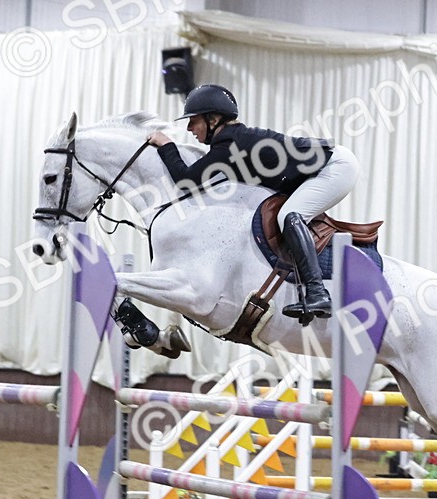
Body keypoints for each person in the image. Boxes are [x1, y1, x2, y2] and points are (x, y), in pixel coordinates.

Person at [146, 84, 360, 321]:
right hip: (323, 167)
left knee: (289, 216)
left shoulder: (229, 145)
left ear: (213, 119)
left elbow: (186, 181)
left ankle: (317, 292)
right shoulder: (231, 142)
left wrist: (167, 145)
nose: (189, 128)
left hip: (335, 167)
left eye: (193, 120)